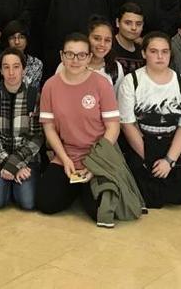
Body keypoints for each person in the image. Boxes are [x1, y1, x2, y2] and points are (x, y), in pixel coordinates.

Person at [35, 33, 120, 222]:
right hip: (67, 155)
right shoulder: (50, 85)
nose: (75, 60)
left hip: (97, 154)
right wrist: (64, 159)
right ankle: (75, 188)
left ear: (89, 57)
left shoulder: (101, 83)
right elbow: (48, 128)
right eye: (70, 54)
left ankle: (85, 189)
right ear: (62, 56)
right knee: (45, 203)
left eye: (81, 55)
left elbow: (113, 126)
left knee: (100, 212)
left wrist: (94, 161)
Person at [118, 31, 181, 209]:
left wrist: (169, 161)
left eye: (165, 52)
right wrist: (148, 157)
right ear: (144, 53)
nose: (160, 56)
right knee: (144, 193)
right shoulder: (131, 81)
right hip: (142, 141)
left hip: (171, 141)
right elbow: (127, 124)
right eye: (154, 51)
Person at [0, 48, 43, 209]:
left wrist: (15, 164)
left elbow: (37, 137)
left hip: (26, 159)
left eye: (16, 67)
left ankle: (10, 182)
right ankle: (3, 182)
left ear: (23, 69)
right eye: (6, 67)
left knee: (27, 203)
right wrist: (7, 163)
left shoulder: (34, 97)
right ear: (1, 70)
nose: (11, 72)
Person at [87, 17, 125, 93]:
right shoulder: (71, 64)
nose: (102, 44)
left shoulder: (116, 67)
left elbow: (117, 100)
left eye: (107, 40)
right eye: (97, 38)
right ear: (87, 38)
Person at [2, 20, 43, 89]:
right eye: (12, 38)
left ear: (27, 40)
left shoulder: (36, 63)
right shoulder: (1, 61)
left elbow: (35, 92)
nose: (17, 42)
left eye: (21, 37)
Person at [112, 2, 146, 75]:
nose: (134, 28)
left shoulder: (144, 51)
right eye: (128, 23)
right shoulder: (107, 46)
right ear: (118, 22)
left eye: (138, 24)